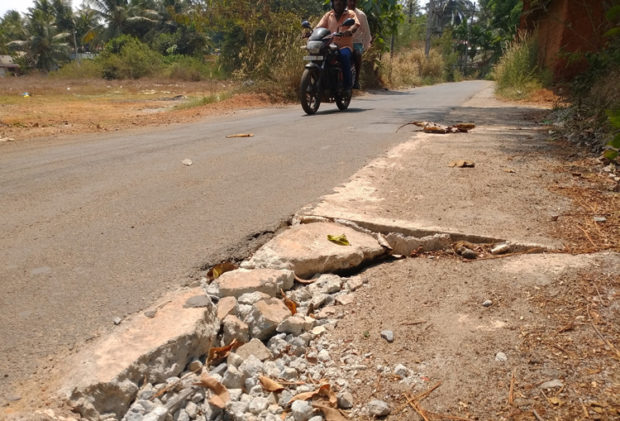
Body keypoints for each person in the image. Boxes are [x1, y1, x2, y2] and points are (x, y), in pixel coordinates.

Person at [316, 0, 360, 94]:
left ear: (345, 4)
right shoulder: (328, 15)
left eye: (342, 2)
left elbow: (355, 25)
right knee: (318, 56)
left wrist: (350, 31)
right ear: (333, 3)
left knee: (344, 57)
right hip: (330, 45)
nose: (339, 4)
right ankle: (320, 83)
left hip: (345, 46)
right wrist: (311, 33)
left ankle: (347, 86)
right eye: (337, 2)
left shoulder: (350, 14)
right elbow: (319, 27)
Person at [347, 0, 371, 89]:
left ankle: (356, 80)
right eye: (350, 1)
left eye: (354, 1)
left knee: (357, 54)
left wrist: (364, 47)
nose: (352, 3)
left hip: (356, 43)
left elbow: (366, 32)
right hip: (342, 42)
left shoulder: (361, 15)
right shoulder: (341, 12)